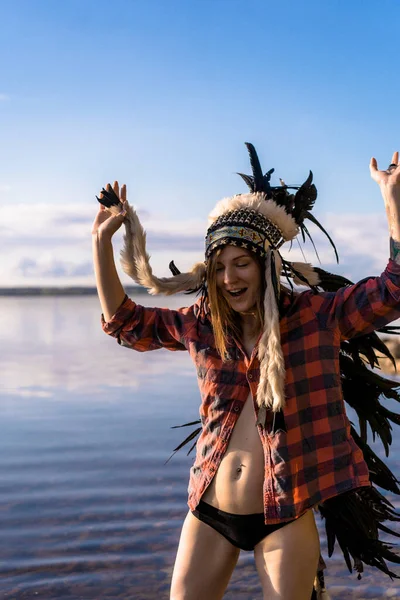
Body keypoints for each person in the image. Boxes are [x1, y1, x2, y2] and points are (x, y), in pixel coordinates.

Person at [92, 144, 400, 600]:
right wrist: (100, 244)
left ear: (267, 264)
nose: (229, 279)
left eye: (241, 264)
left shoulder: (317, 317)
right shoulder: (202, 324)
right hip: (211, 511)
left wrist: (393, 200)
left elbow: (393, 288)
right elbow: (126, 323)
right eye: (218, 268)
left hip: (285, 515)